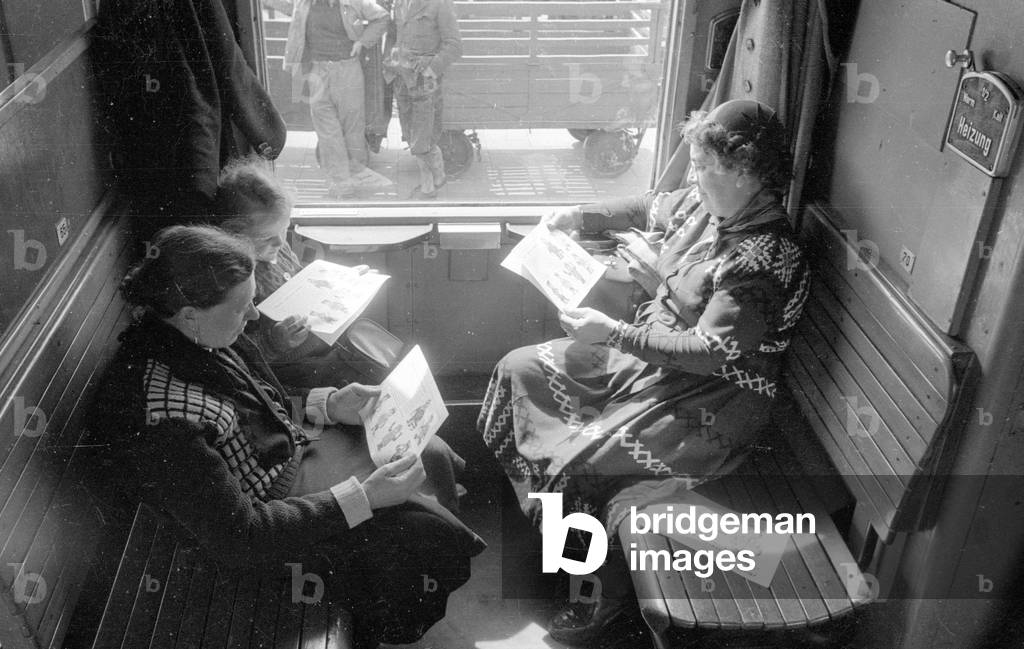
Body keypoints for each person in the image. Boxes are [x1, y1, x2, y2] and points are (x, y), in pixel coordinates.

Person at [477, 99, 810, 644]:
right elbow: (650, 205)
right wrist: (579, 215)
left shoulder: (766, 259)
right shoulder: (712, 208)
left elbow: (708, 351)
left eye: (705, 168)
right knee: (521, 369)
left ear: (748, 173)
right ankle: (557, 542)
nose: (695, 178)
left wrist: (611, 333)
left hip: (711, 395)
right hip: (650, 357)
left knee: (583, 464)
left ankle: (600, 599)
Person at [88, 225, 486, 648]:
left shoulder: (198, 339)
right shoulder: (165, 417)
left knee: (430, 449)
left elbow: (257, 411)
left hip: (288, 459)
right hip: (272, 521)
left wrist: (330, 405)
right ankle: (382, 626)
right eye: (243, 308)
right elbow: (241, 535)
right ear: (190, 312)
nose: (255, 316)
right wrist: (365, 498)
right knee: (414, 527)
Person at [212, 157, 467, 512]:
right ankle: (432, 487)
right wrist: (277, 342)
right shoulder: (234, 284)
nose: (279, 245)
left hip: (320, 350)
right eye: (267, 240)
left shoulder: (276, 252)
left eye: (284, 233)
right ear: (231, 234)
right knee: (389, 391)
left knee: (400, 381)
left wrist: (339, 286)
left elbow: (301, 285)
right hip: (295, 373)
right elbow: (250, 362)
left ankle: (438, 479)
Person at [283, 0, 389, 199]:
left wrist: (362, 41)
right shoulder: (303, 2)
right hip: (316, 72)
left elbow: (382, 17)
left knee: (352, 129)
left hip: (347, 69)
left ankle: (358, 179)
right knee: (327, 132)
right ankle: (341, 185)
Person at [386, 0, 461, 198]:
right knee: (411, 133)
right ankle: (433, 181)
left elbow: (454, 46)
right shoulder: (400, 2)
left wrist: (431, 68)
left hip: (425, 81)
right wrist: (391, 64)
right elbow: (397, 36)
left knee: (422, 135)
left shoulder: (439, 4)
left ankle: (432, 181)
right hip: (403, 78)